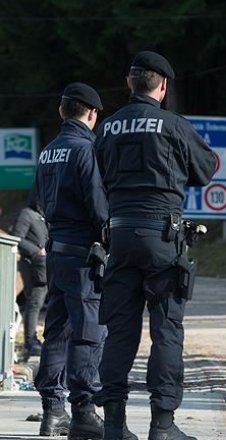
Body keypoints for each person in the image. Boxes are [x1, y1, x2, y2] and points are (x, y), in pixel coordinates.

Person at [94, 51, 217, 440]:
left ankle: (114, 425)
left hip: (119, 238)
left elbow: (95, 178)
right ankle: (162, 425)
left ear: (130, 83)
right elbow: (206, 168)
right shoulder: (173, 125)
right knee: (166, 331)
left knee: (119, 332)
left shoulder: (108, 127)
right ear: (163, 86)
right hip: (163, 239)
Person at [32, 82, 115, 439]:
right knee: (87, 332)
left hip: (56, 252)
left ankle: (52, 412)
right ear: (92, 114)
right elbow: (99, 206)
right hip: (83, 253)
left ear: (62, 111)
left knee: (56, 331)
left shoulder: (48, 151)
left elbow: (38, 200)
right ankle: (84, 411)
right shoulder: (87, 150)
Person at [10, 192, 48, 358]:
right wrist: (36, 252)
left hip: (44, 266)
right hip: (32, 266)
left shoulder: (41, 216)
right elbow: (17, 238)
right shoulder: (27, 214)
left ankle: (33, 339)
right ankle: (29, 340)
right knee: (34, 303)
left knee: (37, 304)